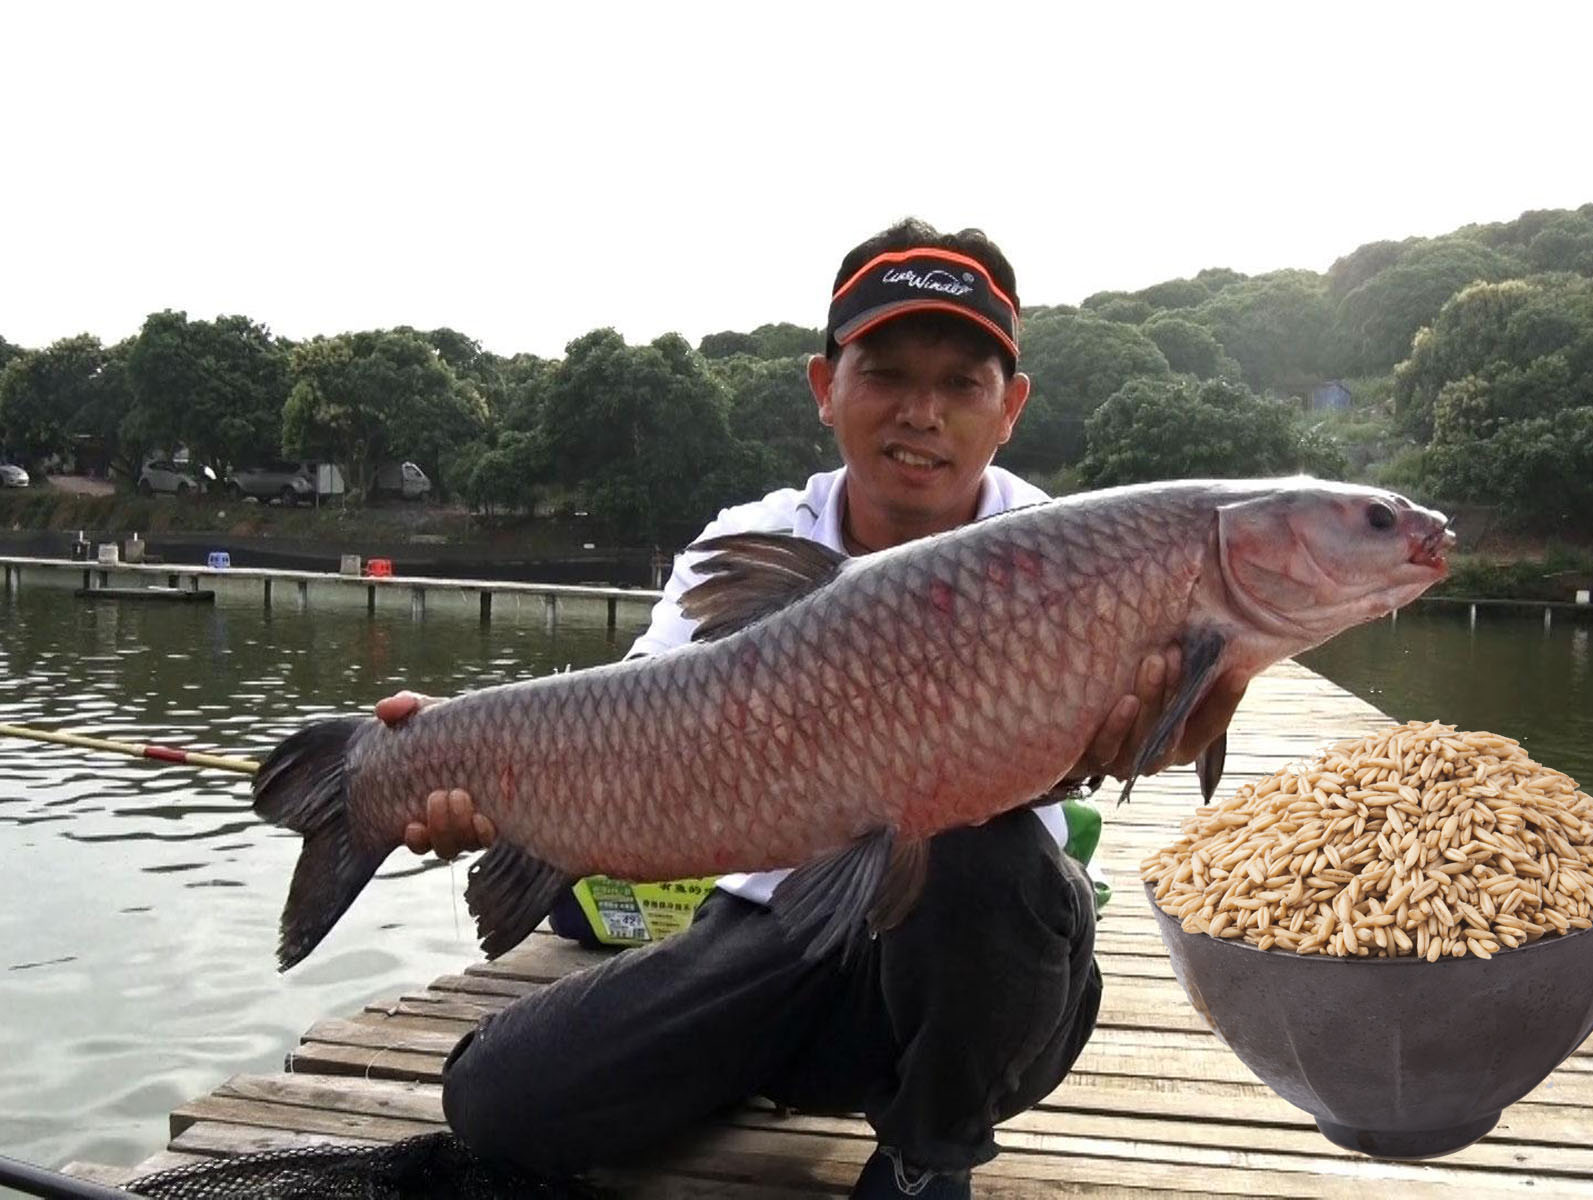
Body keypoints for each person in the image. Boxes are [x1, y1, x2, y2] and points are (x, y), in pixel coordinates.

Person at [377, 219, 1215, 1199]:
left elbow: (1134, 726)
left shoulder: (1066, 551)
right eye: (889, 374)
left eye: (960, 384)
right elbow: (631, 718)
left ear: (1011, 406)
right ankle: (748, 1061)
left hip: (972, 945)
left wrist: (1153, 735)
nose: (923, 413)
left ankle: (927, 1150)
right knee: (497, 1104)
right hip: (781, 914)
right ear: (826, 387)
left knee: (987, 857)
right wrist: (468, 761)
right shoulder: (755, 538)